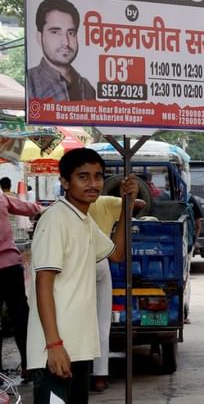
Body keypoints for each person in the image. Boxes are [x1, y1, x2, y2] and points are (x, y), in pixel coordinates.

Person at [26, 148, 130, 404]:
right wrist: (54, 345)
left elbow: (116, 254)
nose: (93, 183)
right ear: (64, 181)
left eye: (98, 176)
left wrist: (126, 206)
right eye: (83, 177)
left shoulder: (83, 219)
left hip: (78, 347)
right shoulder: (56, 219)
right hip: (56, 349)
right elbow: (44, 282)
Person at [86, 187, 145, 393]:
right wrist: (121, 214)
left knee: (78, 322)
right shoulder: (106, 201)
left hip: (78, 265)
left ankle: (79, 372)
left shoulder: (71, 207)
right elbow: (139, 204)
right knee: (102, 322)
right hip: (101, 262)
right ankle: (100, 377)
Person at [0, 180, 41, 381]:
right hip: (9, 266)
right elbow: (30, 208)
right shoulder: (2, 198)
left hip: (9, 266)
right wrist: (42, 209)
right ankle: (29, 365)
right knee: (20, 318)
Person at [27, 0, 96, 102]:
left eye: (71, 33)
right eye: (55, 32)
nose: (66, 42)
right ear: (39, 37)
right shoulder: (29, 82)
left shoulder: (86, 87)